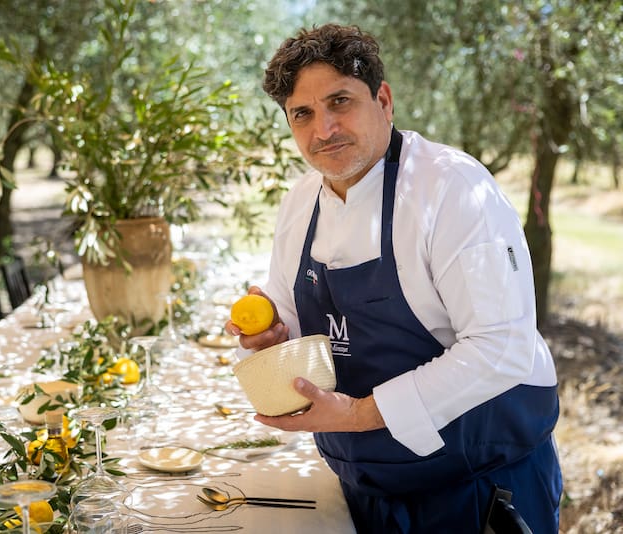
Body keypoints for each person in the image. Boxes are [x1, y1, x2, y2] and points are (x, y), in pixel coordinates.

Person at [225, 23, 562, 533]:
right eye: (303, 114)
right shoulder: (299, 202)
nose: (324, 129)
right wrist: (270, 336)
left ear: (383, 100)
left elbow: (500, 346)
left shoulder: (451, 188)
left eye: (340, 101)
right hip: (366, 488)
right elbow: (291, 319)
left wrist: (358, 414)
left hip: (478, 488)